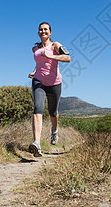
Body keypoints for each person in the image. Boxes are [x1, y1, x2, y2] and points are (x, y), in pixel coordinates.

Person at [28, 22, 71, 157]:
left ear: (50, 32)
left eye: (45, 29)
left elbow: (68, 58)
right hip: (39, 81)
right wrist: (34, 71)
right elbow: (40, 63)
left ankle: (54, 131)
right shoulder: (35, 48)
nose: (43, 31)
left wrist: (51, 56)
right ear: (38, 32)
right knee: (37, 109)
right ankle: (37, 143)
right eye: (40, 30)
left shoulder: (55, 45)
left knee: (52, 112)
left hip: (54, 83)